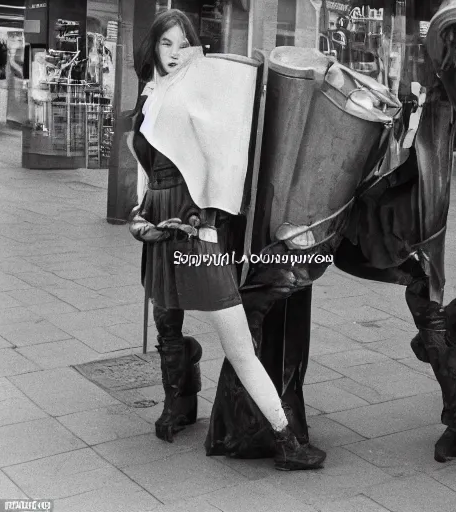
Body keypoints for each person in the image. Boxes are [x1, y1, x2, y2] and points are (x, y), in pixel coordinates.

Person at [126, 9, 325, 471]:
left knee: (237, 342)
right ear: (153, 47)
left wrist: (210, 222)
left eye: (182, 44)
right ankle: (178, 403)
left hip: (197, 231)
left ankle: (285, 438)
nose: (174, 54)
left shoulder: (201, 95)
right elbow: (143, 178)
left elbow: (224, 160)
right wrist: (138, 219)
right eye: (165, 44)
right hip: (160, 226)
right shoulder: (149, 98)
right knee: (166, 320)